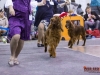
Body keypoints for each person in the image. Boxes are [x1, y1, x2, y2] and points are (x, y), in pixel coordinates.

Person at [5, 0, 46, 66]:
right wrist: (10, 7)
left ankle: (15, 57)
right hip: (15, 15)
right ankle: (12, 56)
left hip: (26, 18)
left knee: (22, 39)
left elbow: (31, 3)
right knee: (16, 36)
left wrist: (40, 3)